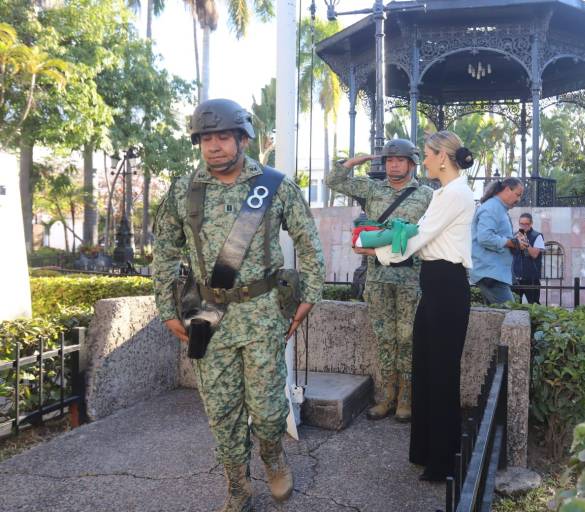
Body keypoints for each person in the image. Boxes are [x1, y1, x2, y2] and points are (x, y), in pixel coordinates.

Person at [152, 98, 325, 511]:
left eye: (223, 136)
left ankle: (273, 457)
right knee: (222, 414)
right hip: (205, 318)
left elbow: (309, 243)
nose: (214, 146)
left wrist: (310, 295)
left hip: (263, 313)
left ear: (242, 138)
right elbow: (163, 251)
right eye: (206, 138)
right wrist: (166, 309)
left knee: (267, 412)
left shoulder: (276, 186)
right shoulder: (183, 190)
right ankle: (237, 487)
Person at [355, 130, 475, 482]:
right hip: (436, 287)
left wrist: (374, 250)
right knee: (427, 370)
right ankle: (428, 451)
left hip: (446, 288)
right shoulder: (446, 193)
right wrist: (384, 239)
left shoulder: (454, 194)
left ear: (442, 156)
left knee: (440, 374)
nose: (422, 161)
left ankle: (442, 460)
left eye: (425, 154)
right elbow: (415, 230)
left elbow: (418, 238)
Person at [327, 139, 433, 422]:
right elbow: (333, 181)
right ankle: (386, 397)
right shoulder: (373, 189)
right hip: (378, 278)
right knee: (385, 339)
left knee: (407, 339)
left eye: (399, 159)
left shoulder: (426, 195)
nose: (393, 164)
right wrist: (353, 162)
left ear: (412, 163)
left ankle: (406, 400)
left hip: (413, 278)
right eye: (388, 160)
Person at [469, 177, 527, 305]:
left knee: (496, 317)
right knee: (512, 315)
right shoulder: (492, 207)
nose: (518, 200)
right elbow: (485, 237)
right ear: (507, 189)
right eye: (517, 194)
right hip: (490, 273)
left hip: (492, 273)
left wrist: (514, 240)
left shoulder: (498, 208)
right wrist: (511, 243)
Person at [511, 213, 545, 304]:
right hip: (516, 278)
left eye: (526, 224)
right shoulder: (514, 235)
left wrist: (526, 242)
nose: (524, 226)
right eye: (521, 224)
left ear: (531, 224)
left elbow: (534, 254)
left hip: (531, 278)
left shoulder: (537, 236)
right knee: (515, 305)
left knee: (534, 304)